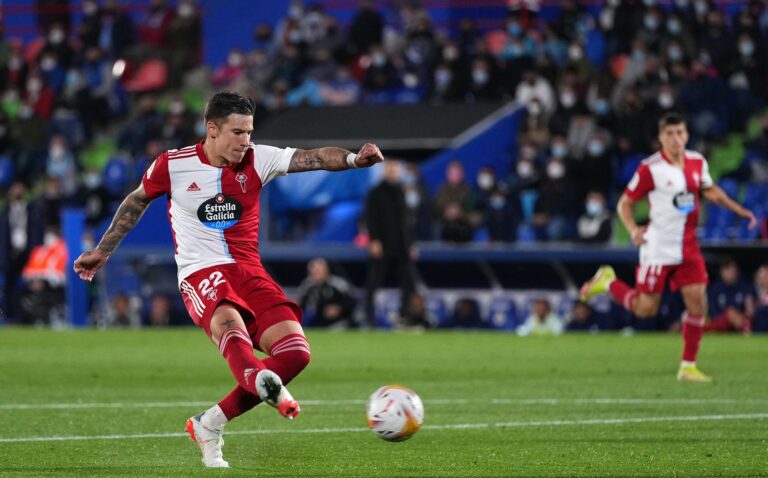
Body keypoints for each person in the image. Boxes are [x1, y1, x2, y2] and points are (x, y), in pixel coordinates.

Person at [73, 92, 384, 468]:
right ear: (212, 129)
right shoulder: (173, 164)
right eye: (238, 132)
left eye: (249, 132)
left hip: (249, 272)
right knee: (229, 325)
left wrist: (352, 159)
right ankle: (264, 383)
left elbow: (312, 157)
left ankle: (210, 423)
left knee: (296, 353)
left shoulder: (259, 159)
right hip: (201, 272)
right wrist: (104, 249)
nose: (245, 141)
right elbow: (137, 200)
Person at [580, 113, 756, 382]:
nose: (676, 139)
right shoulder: (650, 169)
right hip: (658, 247)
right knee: (645, 309)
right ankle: (608, 282)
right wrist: (633, 230)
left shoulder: (697, 161)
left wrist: (739, 210)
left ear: (687, 135)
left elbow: (709, 190)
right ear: (661, 138)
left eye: (680, 133)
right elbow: (625, 203)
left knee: (698, 304)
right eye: (670, 134)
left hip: (688, 246)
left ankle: (688, 366)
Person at [363, 160, 417, 326]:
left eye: (395, 170)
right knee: (373, 284)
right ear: (384, 172)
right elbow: (370, 218)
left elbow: (406, 222)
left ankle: (405, 316)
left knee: (409, 284)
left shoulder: (401, 192)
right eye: (390, 170)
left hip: (401, 247)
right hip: (382, 245)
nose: (393, 173)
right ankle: (368, 318)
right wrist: (374, 240)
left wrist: (410, 244)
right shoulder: (375, 192)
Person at [297, 257, 357, 329]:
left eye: (318, 272)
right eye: (313, 273)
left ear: (326, 271)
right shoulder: (307, 285)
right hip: (317, 323)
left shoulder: (338, 284)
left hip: (340, 322)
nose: (316, 275)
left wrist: (339, 308)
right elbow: (303, 304)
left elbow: (352, 301)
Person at [705, 259, 754, 334]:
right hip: (720, 322)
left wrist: (741, 315)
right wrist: (728, 317)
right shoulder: (714, 289)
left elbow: (750, 311)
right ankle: (746, 331)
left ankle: (746, 330)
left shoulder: (744, 287)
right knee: (730, 313)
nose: (731, 272)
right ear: (721, 271)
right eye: (728, 269)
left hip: (740, 321)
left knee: (735, 315)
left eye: (733, 270)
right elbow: (713, 313)